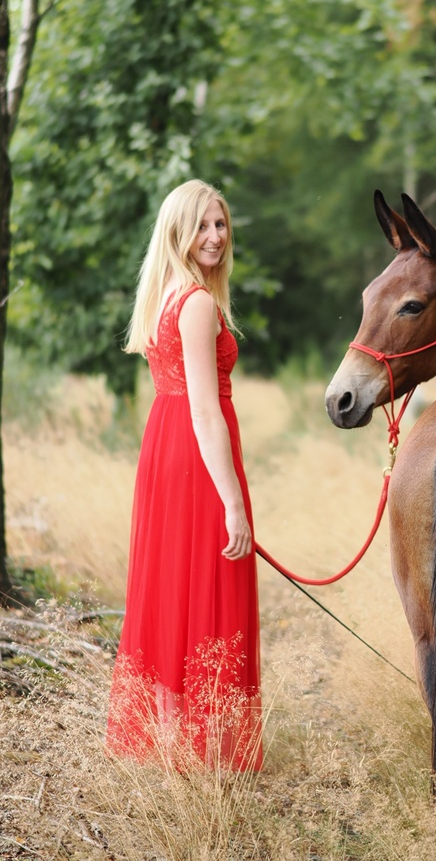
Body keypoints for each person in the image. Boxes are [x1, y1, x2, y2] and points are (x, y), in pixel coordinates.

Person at [106, 179, 262, 772]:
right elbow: (203, 409)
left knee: (175, 585)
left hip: (165, 448)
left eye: (220, 225)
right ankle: (201, 754)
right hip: (196, 454)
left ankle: (178, 744)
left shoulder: (167, 295)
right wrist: (233, 502)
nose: (215, 237)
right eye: (202, 225)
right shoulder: (195, 302)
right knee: (207, 583)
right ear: (178, 231)